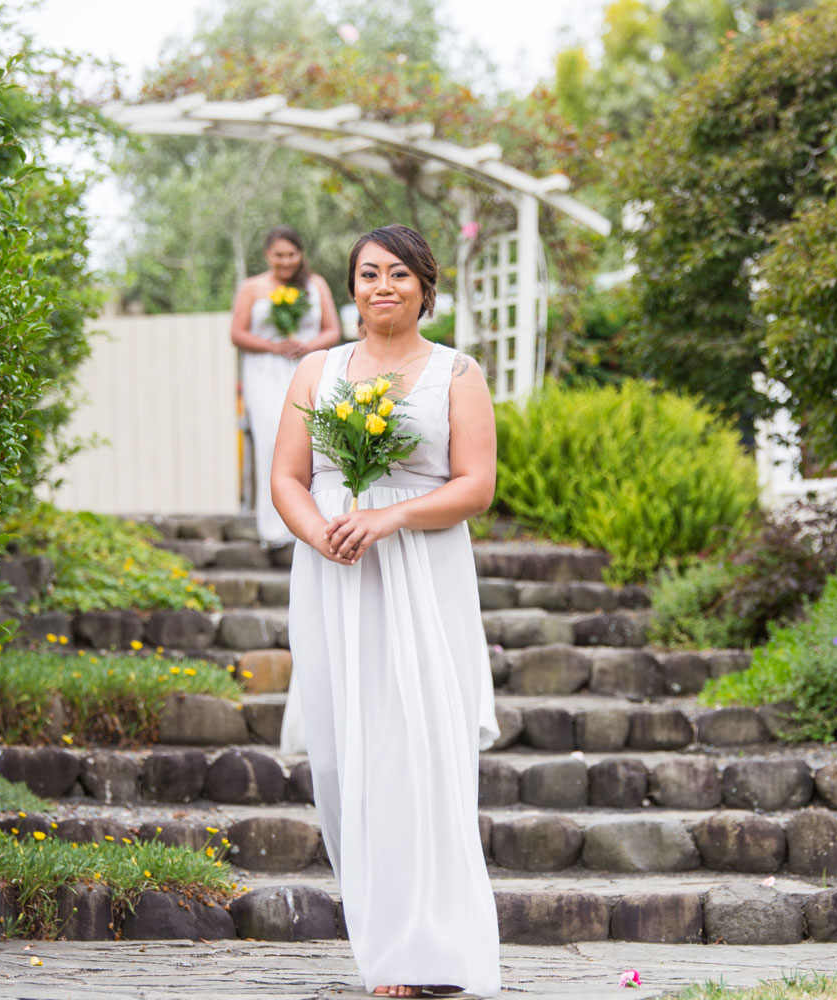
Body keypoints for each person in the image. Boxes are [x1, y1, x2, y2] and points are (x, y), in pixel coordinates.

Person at [271, 225, 501, 998]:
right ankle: (383, 943)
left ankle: (424, 954)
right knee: (342, 758)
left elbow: (475, 486)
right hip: (334, 578)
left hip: (424, 574)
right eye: (368, 273)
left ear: (425, 288)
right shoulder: (317, 369)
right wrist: (326, 534)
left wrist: (388, 518)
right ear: (352, 287)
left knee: (419, 754)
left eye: (399, 273)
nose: (382, 286)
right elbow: (289, 479)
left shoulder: (456, 374)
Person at [230, 226, 341, 546]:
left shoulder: (316, 284)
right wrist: (273, 346)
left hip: (309, 367)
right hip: (265, 371)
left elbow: (332, 330)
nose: (286, 261)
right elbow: (237, 334)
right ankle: (276, 528)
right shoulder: (252, 287)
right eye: (279, 255)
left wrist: (307, 347)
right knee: (271, 442)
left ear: (301, 254)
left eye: (292, 254)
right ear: (267, 255)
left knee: (315, 440)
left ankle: (316, 519)